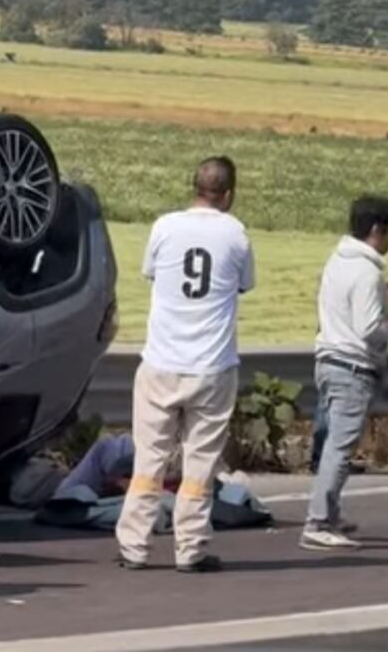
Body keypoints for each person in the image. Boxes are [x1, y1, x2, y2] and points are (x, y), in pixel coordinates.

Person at [115, 156, 255, 573]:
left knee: (149, 458)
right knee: (200, 462)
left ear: (194, 187)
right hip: (212, 365)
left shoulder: (165, 226)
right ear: (227, 194)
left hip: (162, 360)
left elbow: (151, 273)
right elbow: (244, 284)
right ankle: (191, 548)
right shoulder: (236, 234)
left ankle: (134, 545)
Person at [299, 196, 388, 551]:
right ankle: (318, 521)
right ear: (377, 230)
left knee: (334, 444)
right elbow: (369, 328)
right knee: (339, 449)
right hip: (351, 367)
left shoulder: (337, 259)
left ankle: (329, 512)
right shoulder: (367, 272)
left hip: (329, 360)